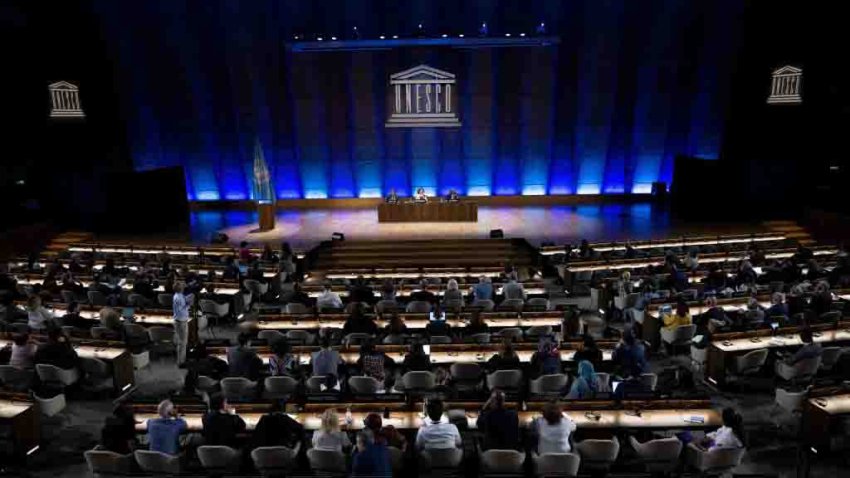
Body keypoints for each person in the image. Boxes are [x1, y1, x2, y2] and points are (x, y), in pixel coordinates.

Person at [172, 282, 194, 365]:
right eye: (181, 286)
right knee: (183, 343)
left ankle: (181, 359)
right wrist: (189, 304)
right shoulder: (179, 298)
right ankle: (181, 362)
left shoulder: (178, 295)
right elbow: (182, 310)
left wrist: (188, 298)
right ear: (180, 289)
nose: (183, 286)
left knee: (181, 342)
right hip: (181, 321)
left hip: (179, 320)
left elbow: (184, 300)